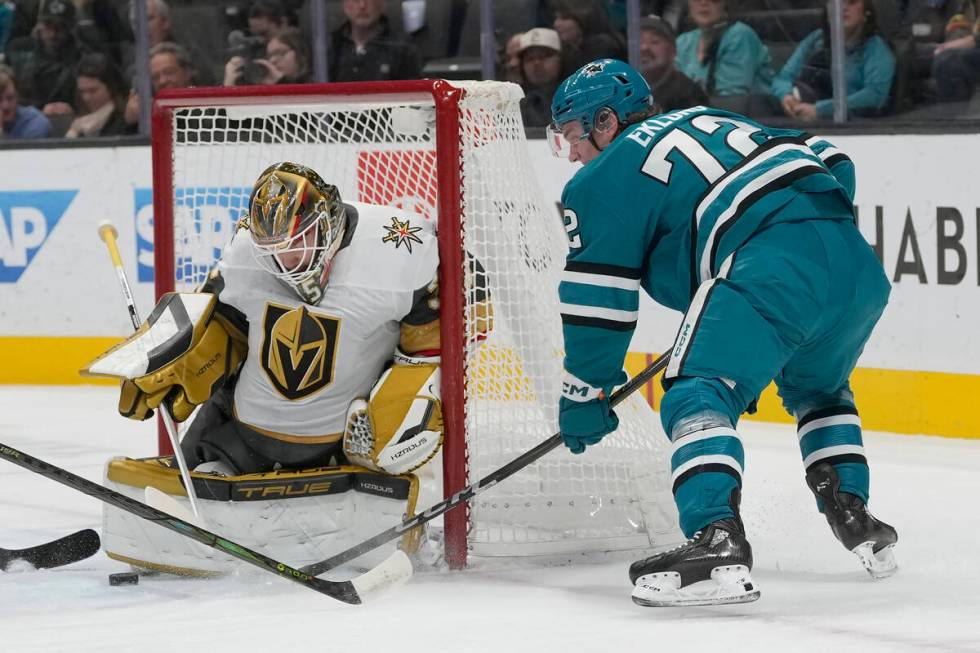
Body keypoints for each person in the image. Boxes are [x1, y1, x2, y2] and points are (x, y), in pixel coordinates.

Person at [548, 59, 898, 607]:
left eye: (572, 135)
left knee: (696, 389)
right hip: (855, 266)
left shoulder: (600, 178)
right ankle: (851, 510)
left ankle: (715, 536)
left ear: (607, 121)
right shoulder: (708, 116)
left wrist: (584, 393)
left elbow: (598, 304)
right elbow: (833, 158)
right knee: (819, 390)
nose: (570, 152)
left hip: (771, 263)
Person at [85, 162, 444, 574]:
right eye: (272, 251)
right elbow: (221, 324)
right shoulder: (245, 254)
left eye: (298, 242)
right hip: (242, 429)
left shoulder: (401, 245)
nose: (286, 262)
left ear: (325, 220)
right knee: (204, 465)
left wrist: (400, 405)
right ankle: (217, 473)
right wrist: (169, 358)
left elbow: (431, 340)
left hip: (342, 443)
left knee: (398, 435)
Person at [772, 0, 895, 122]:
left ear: (866, 13)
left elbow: (875, 95)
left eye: (851, 2)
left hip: (856, 127)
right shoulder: (815, 40)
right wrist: (785, 95)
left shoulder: (876, 48)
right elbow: (784, 78)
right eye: (836, 3)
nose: (842, 8)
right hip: (804, 122)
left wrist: (820, 110)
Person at [674, 0, 773, 97]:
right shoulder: (683, 41)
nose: (704, 2)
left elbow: (731, 99)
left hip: (746, 111)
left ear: (725, 3)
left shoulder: (739, 35)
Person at [329, 0, 422, 82]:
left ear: (382, 3)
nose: (362, 5)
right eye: (355, 0)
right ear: (343, 3)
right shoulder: (329, 46)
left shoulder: (402, 48)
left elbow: (411, 97)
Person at [637, 15, 707, 112]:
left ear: (673, 51)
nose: (644, 47)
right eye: (639, 42)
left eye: (655, 41)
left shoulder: (687, 92)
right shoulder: (624, 89)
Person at [65, 53, 128, 137]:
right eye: (82, 91)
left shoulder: (126, 118)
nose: (86, 97)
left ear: (111, 87)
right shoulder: (76, 118)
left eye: (93, 91)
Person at [551, 0, 627, 70]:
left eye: (564, 18)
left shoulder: (603, 46)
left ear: (583, 19)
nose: (556, 24)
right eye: (556, 18)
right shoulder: (572, 49)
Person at [224, 27, 311, 86]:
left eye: (280, 53)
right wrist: (229, 86)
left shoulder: (317, 82)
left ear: (300, 53)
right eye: (269, 56)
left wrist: (281, 81)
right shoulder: (266, 86)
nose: (272, 60)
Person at [518, 27, 564, 127]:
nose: (536, 63)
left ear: (560, 60)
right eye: (530, 58)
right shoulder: (513, 98)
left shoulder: (574, 96)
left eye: (544, 56)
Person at [0, 63, 52, 138]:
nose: (5, 106)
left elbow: (28, 149)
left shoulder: (35, 122)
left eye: (10, 98)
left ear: (18, 95)